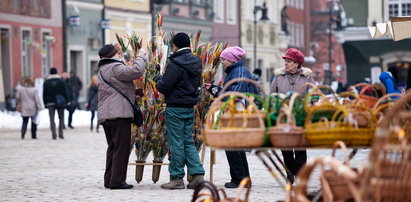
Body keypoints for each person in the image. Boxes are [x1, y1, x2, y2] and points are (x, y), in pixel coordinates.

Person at [154, 32, 205, 190]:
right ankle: (197, 175)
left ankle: (176, 178)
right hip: (189, 106)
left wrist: (158, 80)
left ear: (175, 45)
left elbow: (165, 86)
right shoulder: (196, 61)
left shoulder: (176, 63)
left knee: (176, 142)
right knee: (188, 141)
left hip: (175, 107)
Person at [205, 46, 258, 188]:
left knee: (232, 147)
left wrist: (217, 93)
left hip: (236, 115)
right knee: (237, 148)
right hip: (236, 113)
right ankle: (244, 178)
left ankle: (238, 179)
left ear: (231, 60)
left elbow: (233, 96)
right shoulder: (235, 71)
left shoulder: (239, 72)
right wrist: (214, 89)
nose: (222, 61)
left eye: (224, 59)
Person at [97, 44, 147, 189]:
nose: (120, 54)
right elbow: (136, 71)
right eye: (117, 52)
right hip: (119, 114)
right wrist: (141, 56)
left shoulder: (102, 69)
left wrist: (133, 91)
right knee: (122, 148)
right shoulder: (115, 67)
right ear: (113, 55)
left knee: (113, 147)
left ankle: (110, 179)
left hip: (107, 114)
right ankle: (117, 181)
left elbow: (115, 88)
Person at [270, 48, 315, 184]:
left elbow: (314, 95)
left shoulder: (307, 77)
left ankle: (301, 175)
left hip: (301, 116)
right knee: (286, 147)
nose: (286, 63)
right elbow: (272, 95)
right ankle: (290, 173)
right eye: (285, 61)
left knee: (300, 147)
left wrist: (310, 105)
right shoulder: (278, 77)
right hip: (283, 116)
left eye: (289, 61)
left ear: (296, 63)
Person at [43, 67, 68, 140]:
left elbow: (44, 94)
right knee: (61, 117)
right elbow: (65, 92)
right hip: (60, 102)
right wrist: (67, 101)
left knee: (52, 118)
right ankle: (61, 133)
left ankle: (54, 134)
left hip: (50, 103)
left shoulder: (46, 82)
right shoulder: (61, 81)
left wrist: (45, 102)